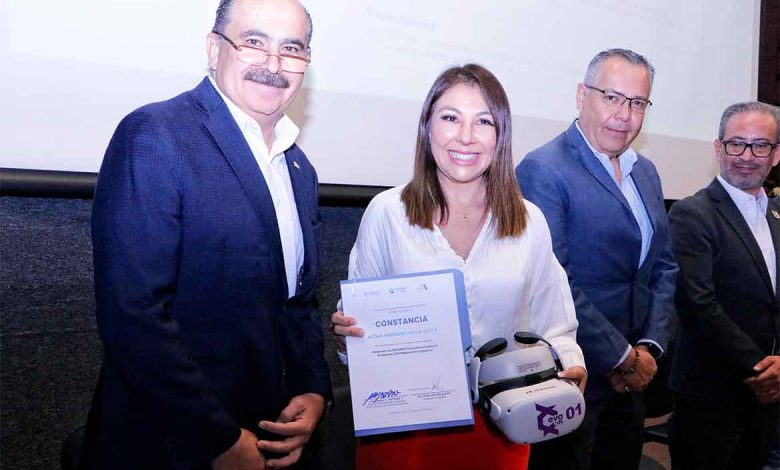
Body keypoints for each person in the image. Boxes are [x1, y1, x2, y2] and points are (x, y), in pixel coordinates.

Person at [81, 1, 331, 468]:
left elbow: (297, 303)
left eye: (291, 49)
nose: (274, 64)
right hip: (171, 446)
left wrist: (314, 389)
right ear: (215, 49)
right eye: (254, 42)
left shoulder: (299, 169)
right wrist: (215, 437)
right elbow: (132, 314)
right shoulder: (156, 135)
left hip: (267, 437)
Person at [330, 64, 587, 470]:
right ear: (427, 127)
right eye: (450, 118)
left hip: (504, 423)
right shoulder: (386, 214)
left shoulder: (529, 221)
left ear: (501, 135)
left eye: (483, 121)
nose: (466, 136)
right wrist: (350, 339)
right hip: (403, 428)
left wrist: (570, 363)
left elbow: (555, 324)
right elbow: (361, 334)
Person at [515, 48, 678, 470]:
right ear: (581, 95)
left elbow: (663, 267)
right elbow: (554, 281)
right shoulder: (543, 168)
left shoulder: (646, 171)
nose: (624, 115)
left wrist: (649, 348)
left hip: (635, 378)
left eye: (637, 102)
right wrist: (621, 357)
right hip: (574, 375)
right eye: (611, 97)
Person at [667, 101, 780, 470]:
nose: (746, 156)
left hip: (768, 400)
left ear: (776, 154)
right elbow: (698, 305)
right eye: (736, 144)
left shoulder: (777, 216)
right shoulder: (691, 213)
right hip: (711, 398)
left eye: (760, 145)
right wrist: (762, 369)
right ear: (718, 148)